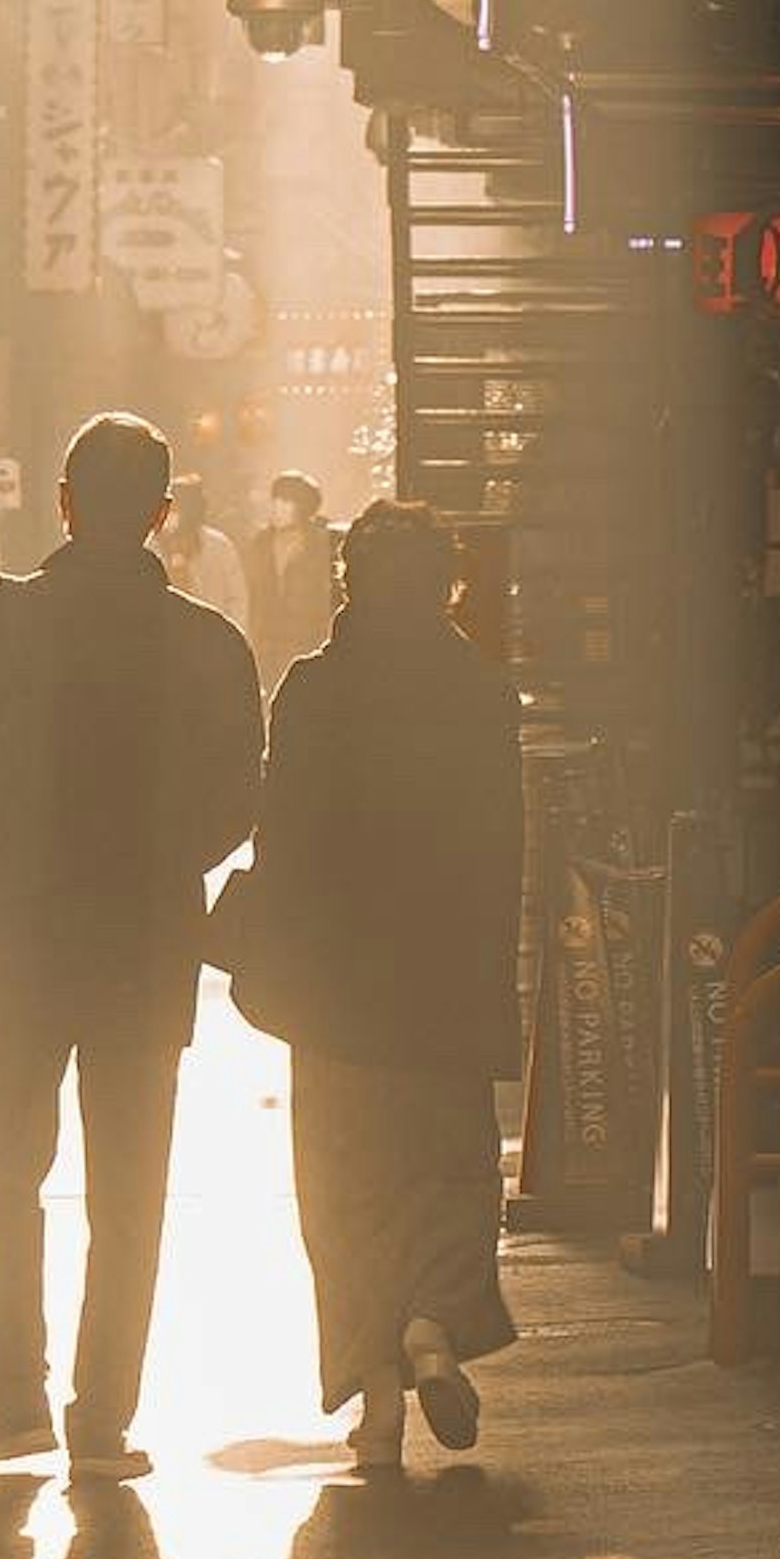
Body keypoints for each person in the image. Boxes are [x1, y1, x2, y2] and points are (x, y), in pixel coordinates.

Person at [0, 412, 263, 1478]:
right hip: (143, 942)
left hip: (18, 939)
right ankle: (102, 1420)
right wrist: (159, 868)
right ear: (164, 515)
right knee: (129, 1187)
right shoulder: (208, 643)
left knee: (6, 1169)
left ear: (61, 501)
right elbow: (236, 801)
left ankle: (12, 1400)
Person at [232, 497, 525, 1467]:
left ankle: (378, 1398)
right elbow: (503, 851)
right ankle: (433, 1324)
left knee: (345, 1191)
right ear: (448, 586)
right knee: (447, 1176)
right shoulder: (479, 691)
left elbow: (284, 840)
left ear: (350, 581)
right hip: (444, 987)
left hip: (339, 998)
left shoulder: (315, 689)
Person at [240, 469, 335, 702]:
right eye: (275, 500)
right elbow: (249, 591)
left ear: (303, 507)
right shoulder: (260, 543)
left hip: (307, 640)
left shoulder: (321, 545)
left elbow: (327, 593)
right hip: (267, 642)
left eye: (285, 501)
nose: (276, 507)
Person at [156, 468, 253, 638]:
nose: (168, 518)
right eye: (165, 511)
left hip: (212, 638)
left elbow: (237, 598)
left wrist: (231, 637)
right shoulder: (152, 546)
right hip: (165, 640)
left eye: (174, 511)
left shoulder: (218, 546)